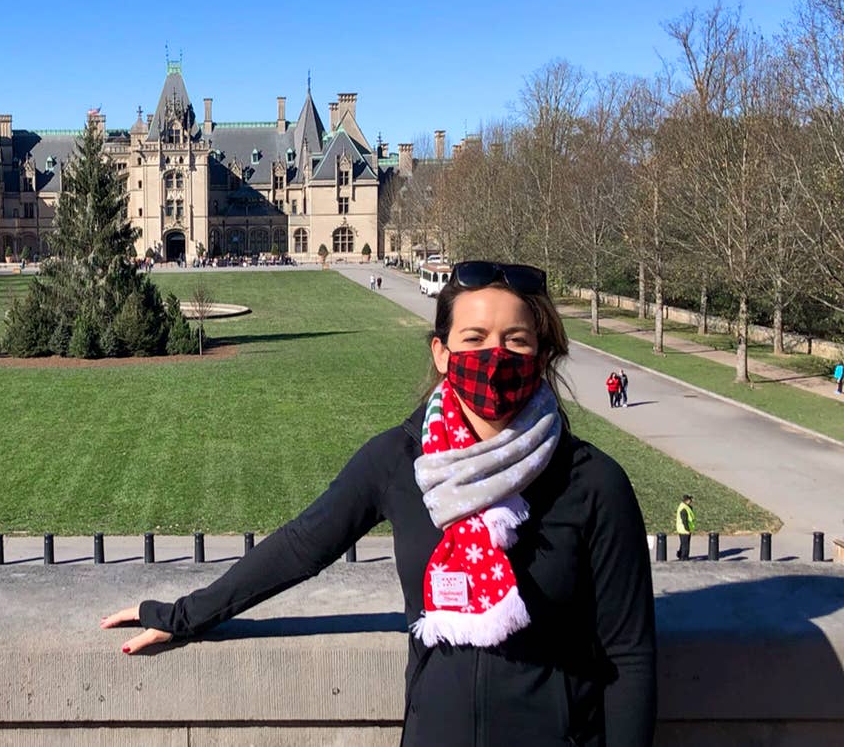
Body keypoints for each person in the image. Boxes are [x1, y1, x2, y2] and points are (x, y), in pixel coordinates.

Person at [102, 260, 656, 745]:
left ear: (540, 355)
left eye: (515, 340)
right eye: (474, 339)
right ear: (442, 353)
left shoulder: (592, 483)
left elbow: (629, 658)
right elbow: (302, 545)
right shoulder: (399, 460)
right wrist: (183, 616)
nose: (494, 357)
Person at [675, 495, 696, 561]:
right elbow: (685, 520)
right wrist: (688, 530)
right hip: (684, 529)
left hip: (681, 529)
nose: (691, 502)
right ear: (687, 500)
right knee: (685, 545)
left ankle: (680, 554)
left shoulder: (683, 506)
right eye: (690, 500)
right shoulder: (684, 509)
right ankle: (684, 557)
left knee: (683, 543)